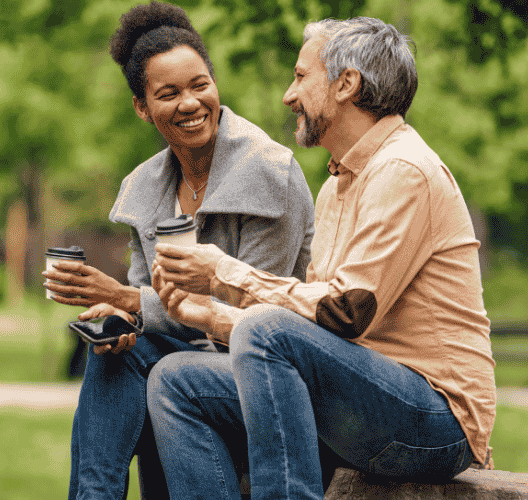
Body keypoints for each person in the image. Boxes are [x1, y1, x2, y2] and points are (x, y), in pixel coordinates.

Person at [148, 16, 496, 500]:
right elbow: (314, 325)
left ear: (346, 83)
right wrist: (212, 316)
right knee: (176, 379)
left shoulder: (403, 170)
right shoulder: (337, 185)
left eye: (301, 76)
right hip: (367, 396)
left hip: (437, 421)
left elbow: (346, 311)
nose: (289, 96)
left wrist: (222, 272)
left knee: (265, 328)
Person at [41, 2, 315, 498]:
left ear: (215, 84)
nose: (190, 103)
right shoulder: (146, 187)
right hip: (188, 354)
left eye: (200, 85)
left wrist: (129, 300)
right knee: (113, 354)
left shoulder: (269, 172)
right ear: (142, 108)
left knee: (161, 369)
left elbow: (255, 318)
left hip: (267, 368)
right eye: (168, 94)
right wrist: (122, 318)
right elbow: (153, 298)